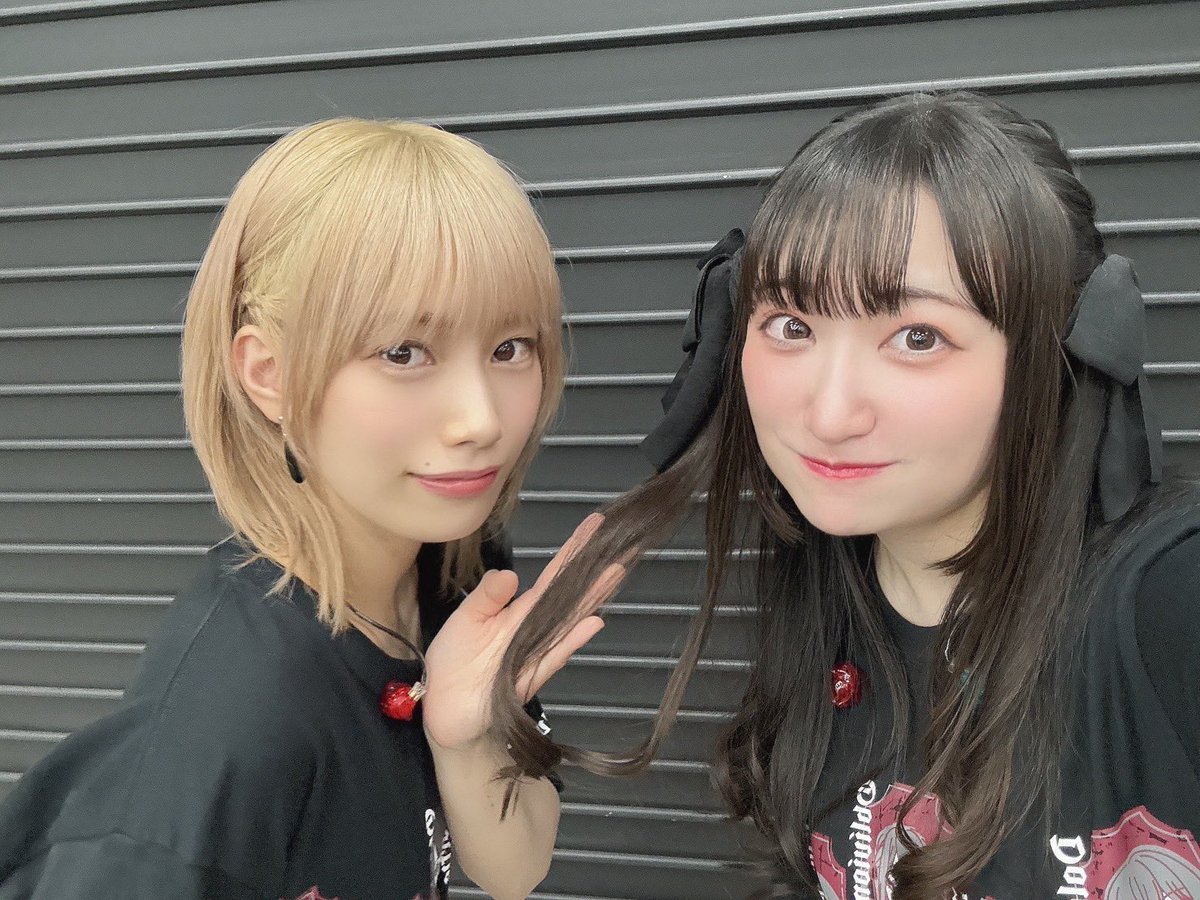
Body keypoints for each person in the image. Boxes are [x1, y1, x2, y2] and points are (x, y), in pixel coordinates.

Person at [485, 92, 1200, 898]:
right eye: (791, 326)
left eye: (918, 337)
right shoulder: (833, 604)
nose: (828, 415)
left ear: (1060, 353)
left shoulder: (1168, 602)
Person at [0, 118, 617, 900]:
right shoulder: (227, 732)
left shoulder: (454, 561)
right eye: (403, 352)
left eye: (510, 348)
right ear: (270, 375)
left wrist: (467, 740)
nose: (482, 419)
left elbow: (514, 868)